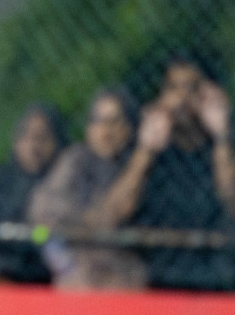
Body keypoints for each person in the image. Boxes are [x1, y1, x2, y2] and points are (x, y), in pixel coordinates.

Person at [133, 55, 235, 290]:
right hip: (159, 276)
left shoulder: (230, 142)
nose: (182, 98)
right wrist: (146, 149)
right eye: (173, 88)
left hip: (218, 277)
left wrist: (221, 135)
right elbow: (118, 209)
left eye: (191, 88)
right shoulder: (150, 147)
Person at [28, 89, 149, 291]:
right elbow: (40, 228)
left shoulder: (136, 165)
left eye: (114, 122)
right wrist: (68, 268)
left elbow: (119, 211)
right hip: (79, 279)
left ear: (129, 128)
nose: (106, 131)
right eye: (98, 121)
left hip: (124, 283)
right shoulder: (75, 162)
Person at [0, 103, 65, 284]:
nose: (34, 145)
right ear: (16, 141)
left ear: (58, 143)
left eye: (43, 137)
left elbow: (46, 235)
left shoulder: (65, 186)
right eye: (26, 136)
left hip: (41, 276)